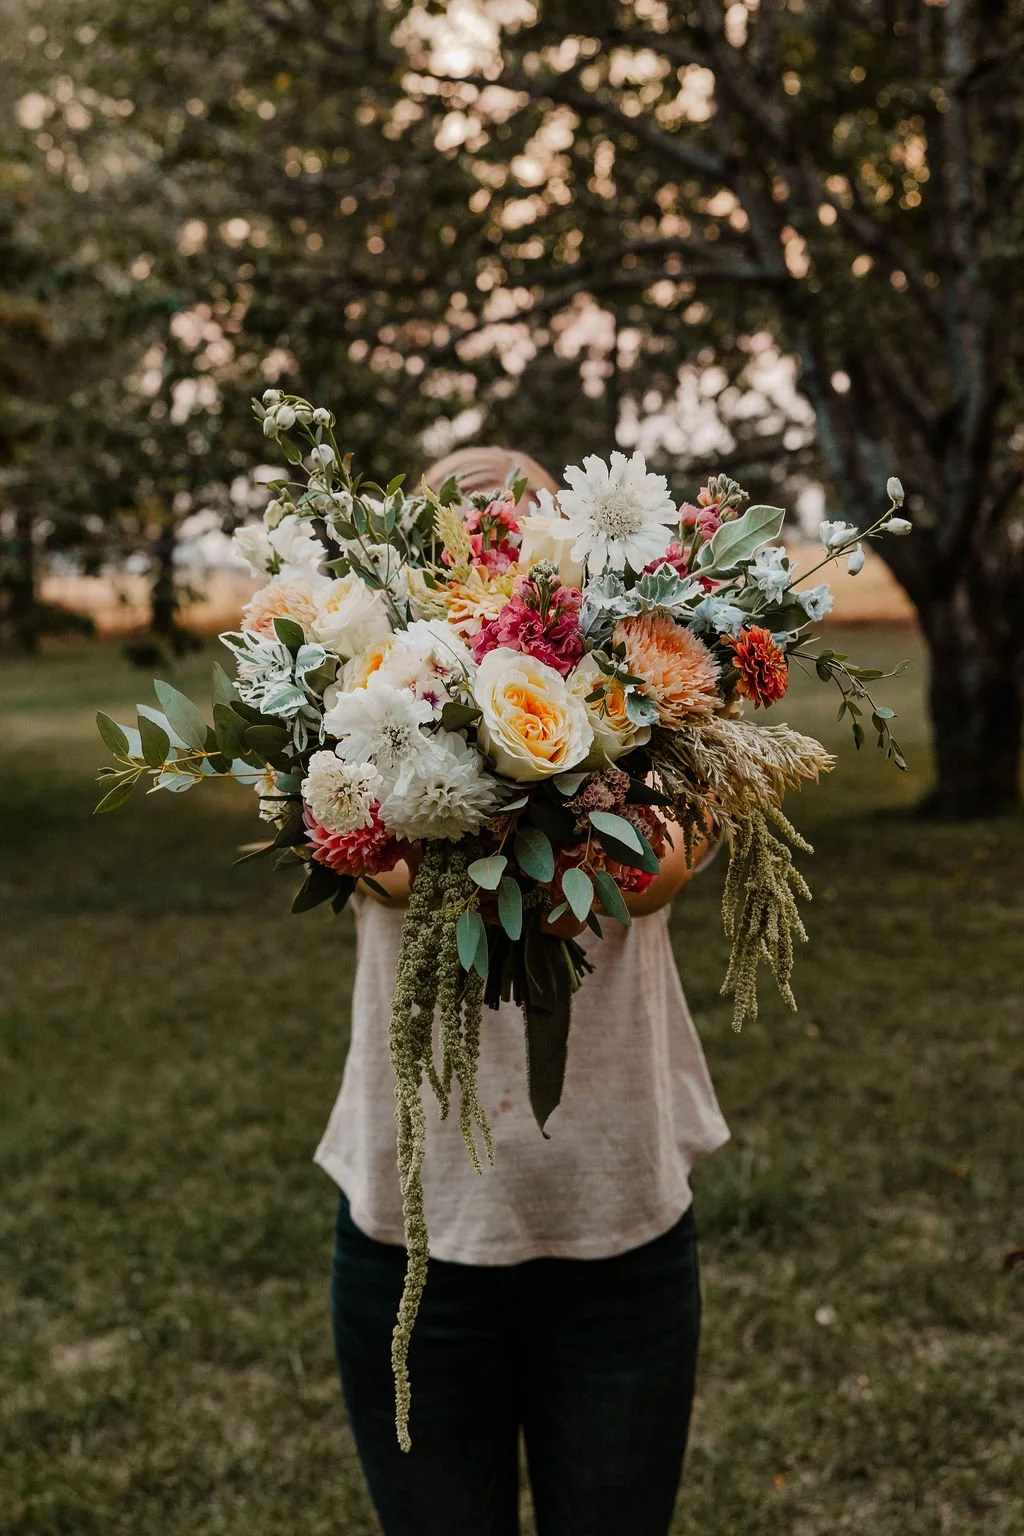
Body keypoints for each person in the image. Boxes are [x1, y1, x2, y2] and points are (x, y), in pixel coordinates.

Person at [316, 447, 730, 1536]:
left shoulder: (650, 710)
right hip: (411, 1238)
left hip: (618, 1230)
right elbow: (369, 854)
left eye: (514, 524)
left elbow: (656, 871)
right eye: (461, 532)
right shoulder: (353, 718)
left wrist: (548, 800)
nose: (490, 544)